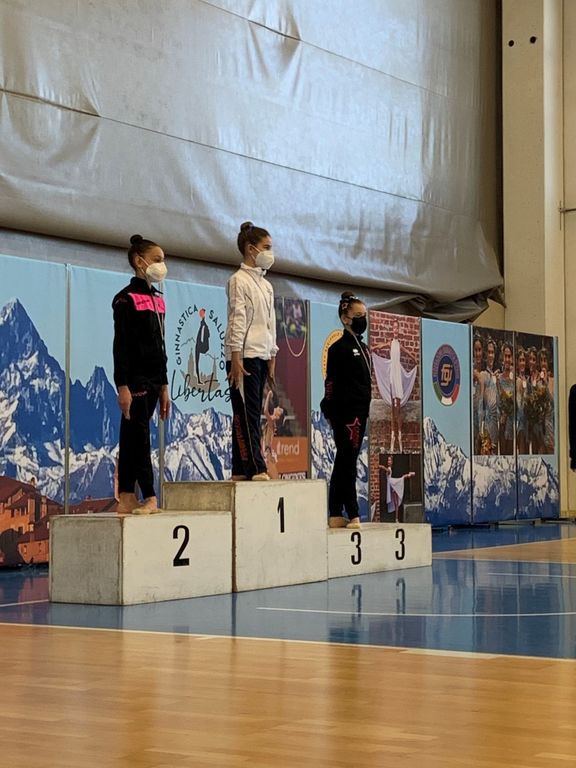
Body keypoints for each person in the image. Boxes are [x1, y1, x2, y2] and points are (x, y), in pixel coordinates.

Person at [112, 234, 170, 514]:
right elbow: (121, 346)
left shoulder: (158, 300)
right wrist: (122, 385)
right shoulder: (125, 299)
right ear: (139, 262)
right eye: (157, 259)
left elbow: (162, 345)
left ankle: (125, 495)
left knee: (130, 437)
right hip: (135, 380)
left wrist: (165, 385)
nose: (162, 265)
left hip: (155, 379)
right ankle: (150, 496)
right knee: (139, 437)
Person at [225, 221, 278, 481]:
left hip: (261, 354)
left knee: (252, 412)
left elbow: (271, 322)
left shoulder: (266, 286)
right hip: (243, 357)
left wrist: (272, 355)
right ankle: (256, 467)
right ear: (250, 249)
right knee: (246, 413)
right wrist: (235, 357)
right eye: (266, 247)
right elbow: (237, 319)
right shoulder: (238, 280)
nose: (270, 252)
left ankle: (239, 469)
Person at [321, 291, 372, 529]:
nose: (363, 320)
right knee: (348, 462)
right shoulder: (338, 348)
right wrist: (331, 412)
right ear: (345, 318)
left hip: (361, 413)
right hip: (345, 414)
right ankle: (353, 512)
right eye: (358, 316)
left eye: (365, 316)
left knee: (344, 461)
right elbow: (330, 384)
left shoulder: (364, 348)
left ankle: (334, 512)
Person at [383, 455, 416, 522]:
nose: (388, 462)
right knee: (402, 478)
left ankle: (396, 519)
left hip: (393, 484)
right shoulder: (389, 468)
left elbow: (387, 471)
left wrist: (382, 467)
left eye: (390, 460)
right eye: (388, 460)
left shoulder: (389, 469)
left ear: (392, 462)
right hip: (392, 484)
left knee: (396, 503)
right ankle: (409, 474)